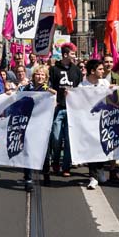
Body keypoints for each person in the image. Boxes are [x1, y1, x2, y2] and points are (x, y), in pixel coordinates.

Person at [48, 44, 83, 178]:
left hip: (72, 110)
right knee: (56, 138)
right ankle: (55, 161)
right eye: (73, 54)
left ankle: (66, 166)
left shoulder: (77, 71)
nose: (75, 56)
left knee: (69, 140)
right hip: (58, 108)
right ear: (65, 55)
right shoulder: (54, 69)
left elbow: (80, 88)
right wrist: (52, 92)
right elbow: (47, 84)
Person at [79, 58, 113, 190]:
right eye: (100, 69)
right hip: (88, 122)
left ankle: (100, 170)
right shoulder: (82, 86)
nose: (103, 71)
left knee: (102, 147)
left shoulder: (104, 82)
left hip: (102, 121)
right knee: (91, 148)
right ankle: (93, 176)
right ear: (92, 71)